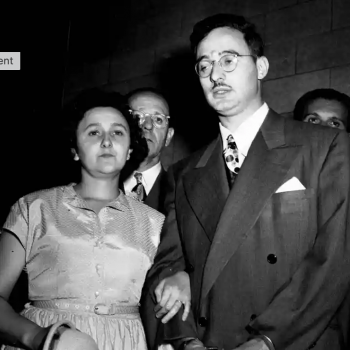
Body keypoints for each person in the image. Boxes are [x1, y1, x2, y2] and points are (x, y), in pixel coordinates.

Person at [142, 13, 350, 350]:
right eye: (204, 66)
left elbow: (333, 261)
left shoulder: (327, 148)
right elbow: (168, 265)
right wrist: (184, 339)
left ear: (262, 67)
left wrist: (267, 340)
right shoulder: (184, 173)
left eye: (228, 60)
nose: (216, 74)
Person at [0, 89, 188, 350]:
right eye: (94, 132)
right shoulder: (32, 208)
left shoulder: (155, 222)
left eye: (118, 132)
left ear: (130, 149)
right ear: (75, 149)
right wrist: (39, 337)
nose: (107, 141)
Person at [122, 88, 174, 213]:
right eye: (137, 116)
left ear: (168, 136)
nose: (148, 125)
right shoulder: (93, 187)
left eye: (158, 119)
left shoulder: (181, 193)